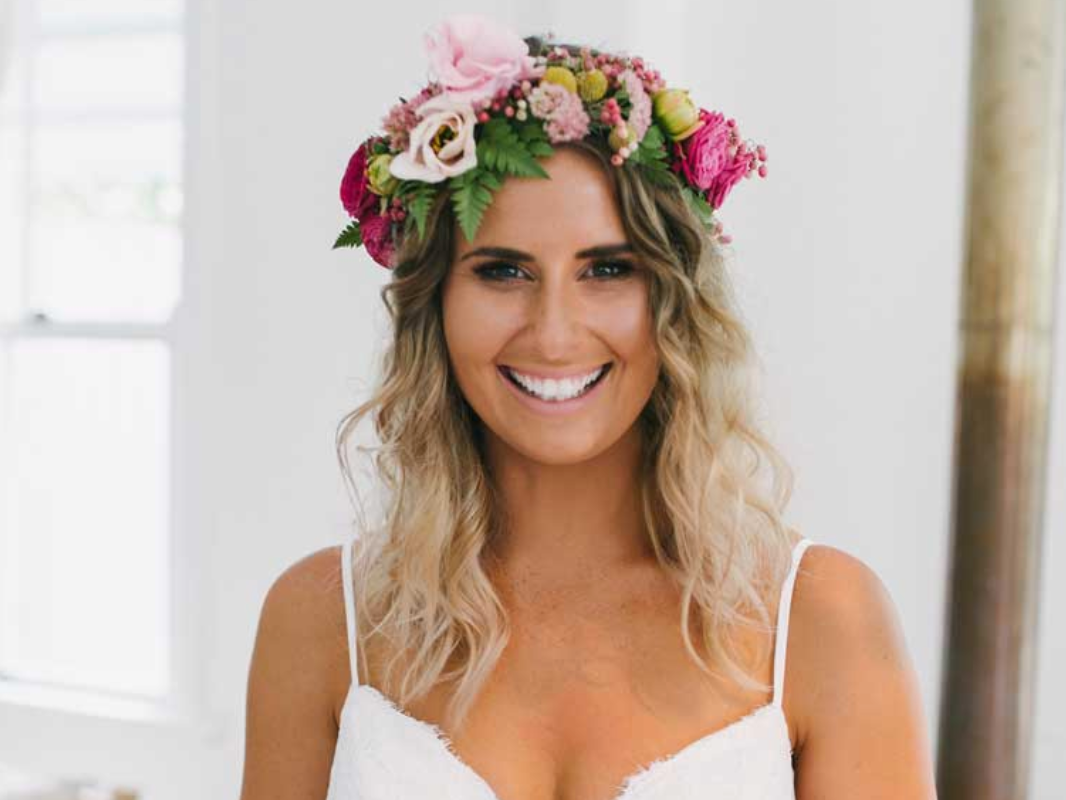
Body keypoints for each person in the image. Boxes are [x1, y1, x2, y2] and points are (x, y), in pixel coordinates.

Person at [239, 14, 937, 800]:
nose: (555, 332)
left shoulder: (819, 622)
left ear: (674, 299)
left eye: (606, 269)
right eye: (503, 271)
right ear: (434, 304)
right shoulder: (321, 622)